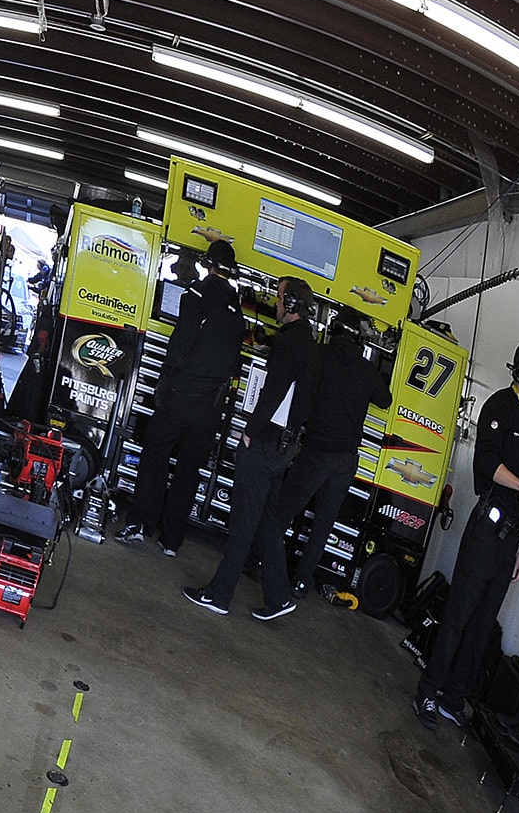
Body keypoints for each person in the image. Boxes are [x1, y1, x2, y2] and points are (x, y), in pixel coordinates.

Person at [185, 276, 318, 619]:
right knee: (270, 523)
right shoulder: (309, 342)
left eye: (278, 297)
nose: (274, 303)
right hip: (284, 447)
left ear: (290, 305)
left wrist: (250, 431)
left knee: (244, 522)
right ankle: (279, 597)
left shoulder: (290, 341)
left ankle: (218, 595)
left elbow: (273, 393)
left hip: (264, 444)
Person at [417, 341, 519, 729]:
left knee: (481, 626)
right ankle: (428, 691)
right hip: (486, 528)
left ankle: (453, 698)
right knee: (459, 616)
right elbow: (487, 462)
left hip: (511, 540)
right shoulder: (498, 406)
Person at [119, 238, 246, 555]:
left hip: (182, 393)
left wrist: (166, 379)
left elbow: (180, 344)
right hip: (212, 405)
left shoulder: (195, 295)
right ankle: (172, 539)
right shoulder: (237, 308)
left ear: (208, 264)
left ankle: (140, 524)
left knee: (156, 455)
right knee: (190, 468)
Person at [275, 307, 392, 596]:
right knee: (323, 524)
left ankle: (263, 563)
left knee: (283, 512)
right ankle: (302, 581)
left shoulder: (319, 354)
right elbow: (385, 400)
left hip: (315, 449)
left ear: (335, 328)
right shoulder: (366, 370)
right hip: (345, 459)